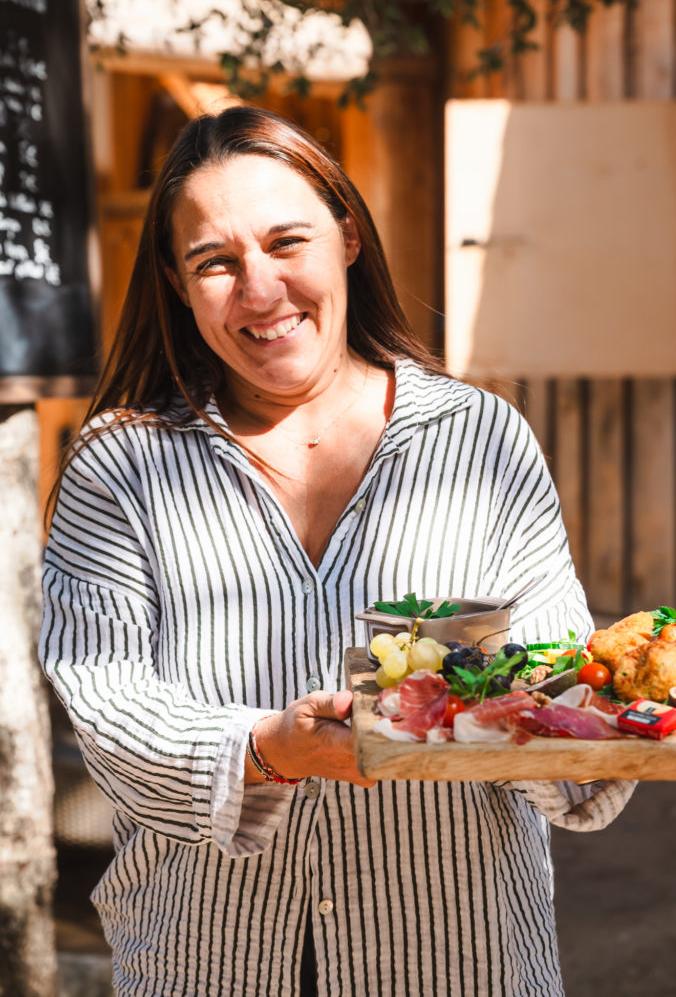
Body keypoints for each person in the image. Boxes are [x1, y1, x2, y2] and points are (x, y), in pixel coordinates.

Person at [40, 106, 634, 997]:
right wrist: (264, 748)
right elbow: (106, 705)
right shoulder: (121, 466)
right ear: (176, 281)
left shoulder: (481, 440)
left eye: (288, 242)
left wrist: (595, 706)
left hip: (456, 960)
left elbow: (559, 677)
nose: (260, 291)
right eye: (215, 263)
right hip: (208, 961)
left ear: (349, 237)